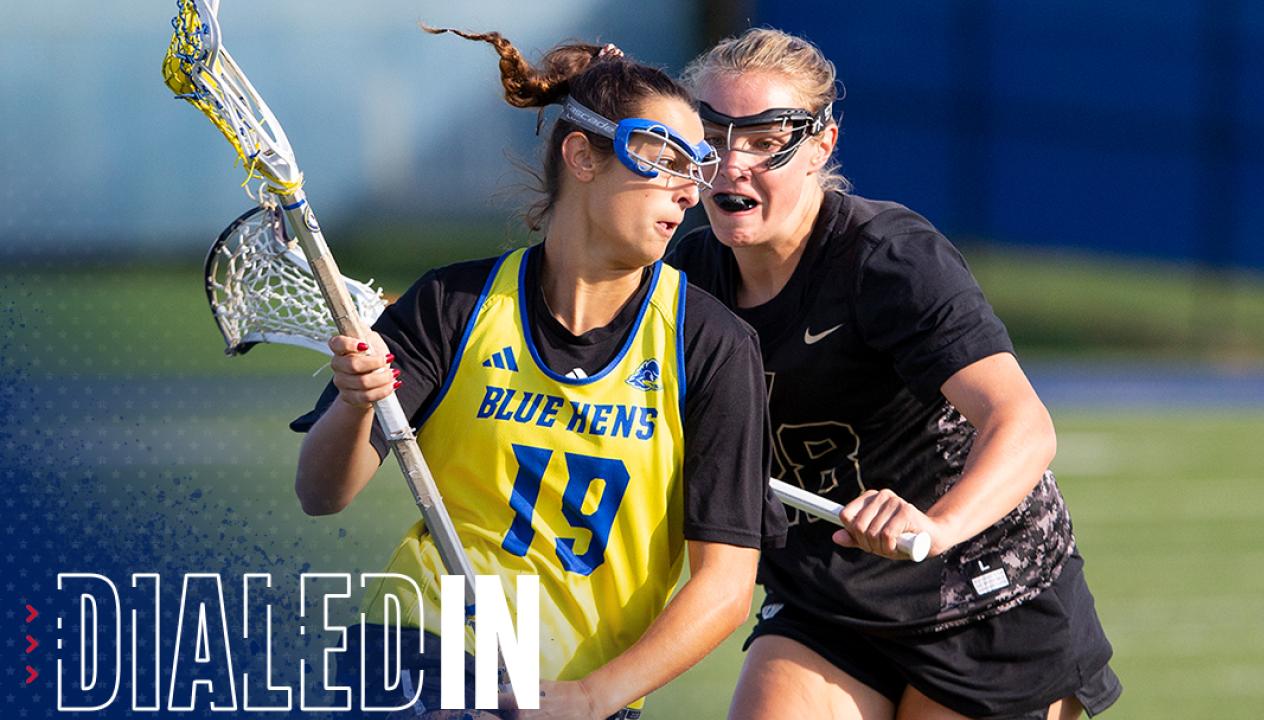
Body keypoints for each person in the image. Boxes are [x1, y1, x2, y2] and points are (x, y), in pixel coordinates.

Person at [291, 28, 786, 719]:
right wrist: (355, 404)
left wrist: (593, 697)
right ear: (582, 155)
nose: (684, 190)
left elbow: (728, 588)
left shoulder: (710, 346)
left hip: (582, 691)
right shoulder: (454, 305)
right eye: (661, 159)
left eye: (694, 166)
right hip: (419, 647)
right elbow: (321, 491)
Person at [667, 28, 1122, 720]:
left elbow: (1021, 425)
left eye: (764, 141)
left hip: (985, 600)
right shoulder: (686, 283)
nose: (732, 164)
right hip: (830, 602)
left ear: (821, 146)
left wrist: (936, 527)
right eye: (712, 135)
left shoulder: (888, 260)